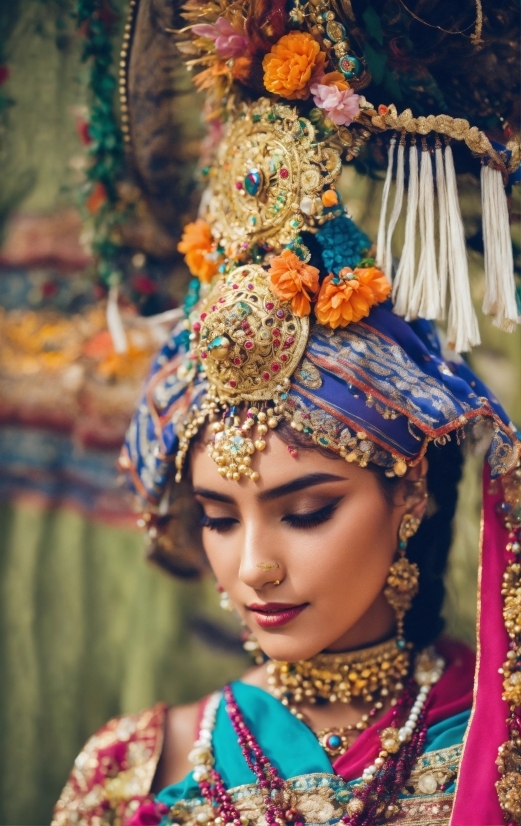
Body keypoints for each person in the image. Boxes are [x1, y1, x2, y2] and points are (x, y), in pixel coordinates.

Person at [53, 1, 521, 825]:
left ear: (407, 494)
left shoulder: (497, 738)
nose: (253, 570)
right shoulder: (134, 770)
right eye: (217, 517)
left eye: (305, 511)